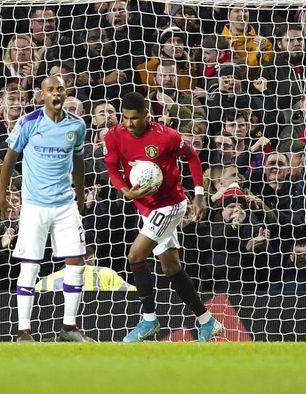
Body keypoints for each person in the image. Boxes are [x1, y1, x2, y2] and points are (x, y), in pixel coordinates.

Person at [103, 92, 223, 342]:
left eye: (134, 118)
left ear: (146, 115)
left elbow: (192, 157)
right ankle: (207, 321)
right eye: (124, 118)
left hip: (170, 205)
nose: (129, 123)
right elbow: (112, 168)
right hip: (146, 208)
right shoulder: (114, 135)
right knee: (171, 267)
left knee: (135, 256)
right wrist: (126, 191)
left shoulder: (166, 136)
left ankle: (149, 320)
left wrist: (199, 195)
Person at [0, 75, 91, 342]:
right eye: (51, 89)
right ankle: (24, 331)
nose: (56, 93)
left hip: (65, 205)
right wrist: (2, 196)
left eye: (60, 88)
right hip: (34, 207)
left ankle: (69, 327)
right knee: (30, 266)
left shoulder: (77, 126)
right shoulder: (28, 123)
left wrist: (80, 196)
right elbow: (9, 159)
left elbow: (79, 161)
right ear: (42, 95)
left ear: (66, 92)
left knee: (76, 262)